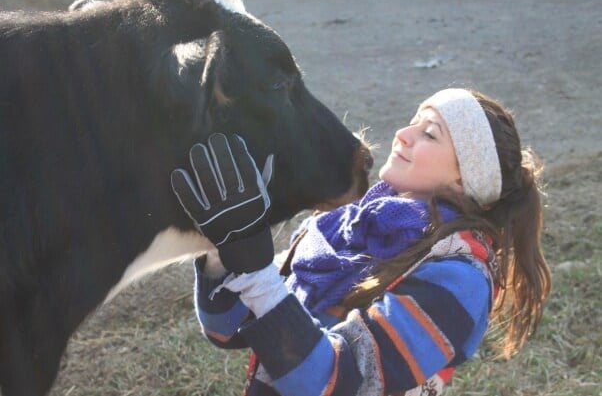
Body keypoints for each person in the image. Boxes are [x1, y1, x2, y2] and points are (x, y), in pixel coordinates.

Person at [170, 88, 551, 396]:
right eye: (414, 121)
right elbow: (231, 328)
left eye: (430, 133)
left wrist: (257, 274)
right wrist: (224, 251)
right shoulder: (342, 227)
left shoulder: (460, 280)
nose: (403, 134)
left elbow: (336, 382)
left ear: (463, 181)